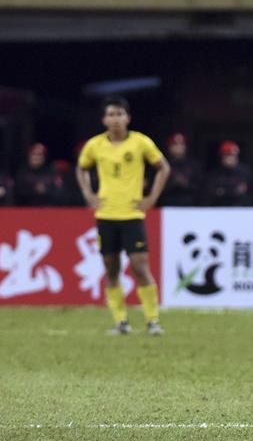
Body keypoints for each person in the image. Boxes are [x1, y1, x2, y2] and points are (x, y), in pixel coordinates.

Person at [76, 96, 171, 336]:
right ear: (104, 119)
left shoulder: (140, 143)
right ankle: (121, 322)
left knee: (140, 267)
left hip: (132, 214)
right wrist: (89, 194)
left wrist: (151, 197)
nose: (115, 119)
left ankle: (152, 320)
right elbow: (81, 167)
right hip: (106, 214)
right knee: (111, 269)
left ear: (127, 118)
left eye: (119, 114)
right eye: (111, 115)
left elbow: (163, 167)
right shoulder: (95, 145)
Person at [203, 140, 253, 206]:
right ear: (222, 157)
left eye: (233, 155)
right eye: (228, 155)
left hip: (242, 209)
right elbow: (211, 194)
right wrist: (232, 191)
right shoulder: (215, 174)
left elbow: (252, 193)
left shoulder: (245, 172)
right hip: (220, 209)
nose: (231, 158)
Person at [159, 133, 202, 206]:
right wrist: (173, 183)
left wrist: (185, 184)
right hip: (167, 204)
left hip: (190, 204)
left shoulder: (194, 165)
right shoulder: (162, 164)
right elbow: (156, 186)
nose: (179, 148)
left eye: (181, 145)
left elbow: (201, 187)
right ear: (169, 147)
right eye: (175, 145)